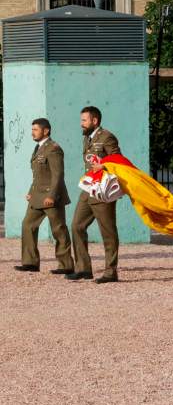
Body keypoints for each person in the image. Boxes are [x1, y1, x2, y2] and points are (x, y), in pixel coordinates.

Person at [68, 106, 121, 283]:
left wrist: (104, 165)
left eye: (84, 120)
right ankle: (83, 268)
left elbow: (118, 159)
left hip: (102, 191)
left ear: (95, 121)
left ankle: (110, 272)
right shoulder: (87, 138)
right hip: (88, 189)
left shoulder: (107, 137)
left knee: (108, 231)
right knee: (76, 226)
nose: (81, 124)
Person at [15, 118, 74, 275]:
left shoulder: (53, 148)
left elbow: (58, 174)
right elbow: (38, 176)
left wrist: (52, 196)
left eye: (35, 129)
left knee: (58, 230)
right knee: (28, 225)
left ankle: (66, 265)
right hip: (37, 196)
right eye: (32, 129)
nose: (32, 132)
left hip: (51, 197)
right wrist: (31, 191)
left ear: (46, 131)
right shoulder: (38, 148)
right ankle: (30, 263)